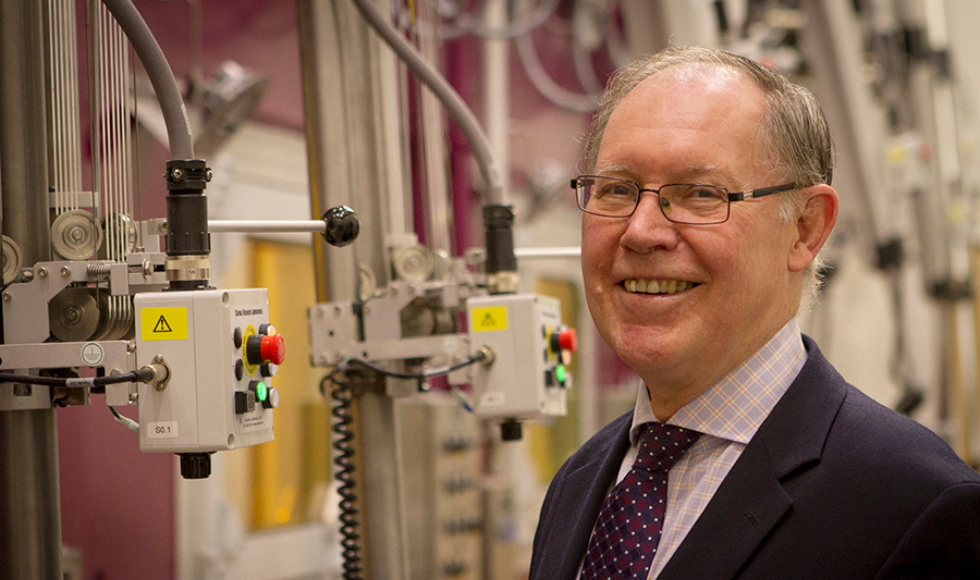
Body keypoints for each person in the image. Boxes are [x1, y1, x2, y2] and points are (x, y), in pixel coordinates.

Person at [529, 46, 980, 580]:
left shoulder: (917, 505)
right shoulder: (578, 483)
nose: (641, 230)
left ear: (806, 228)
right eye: (617, 189)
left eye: (699, 193)